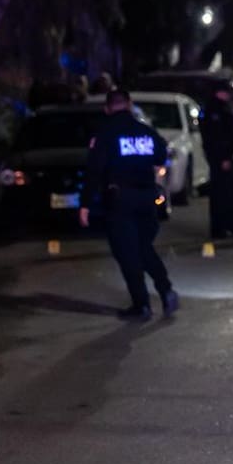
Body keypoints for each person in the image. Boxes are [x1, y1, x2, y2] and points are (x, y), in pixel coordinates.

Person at [79, 89, 179, 320]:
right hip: (146, 198)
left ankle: (141, 305)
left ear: (107, 108)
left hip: (120, 200)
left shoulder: (105, 134)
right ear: (130, 105)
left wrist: (85, 204)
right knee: (144, 247)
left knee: (127, 254)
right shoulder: (144, 131)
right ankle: (166, 290)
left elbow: (94, 171)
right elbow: (161, 154)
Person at [202, 88, 233, 239]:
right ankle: (220, 228)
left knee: (229, 194)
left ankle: (230, 226)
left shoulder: (222, 108)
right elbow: (216, 138)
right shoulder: (214, 111)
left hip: (224, 157)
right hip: (220, 158)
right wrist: (223, 158)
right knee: (221, 195)